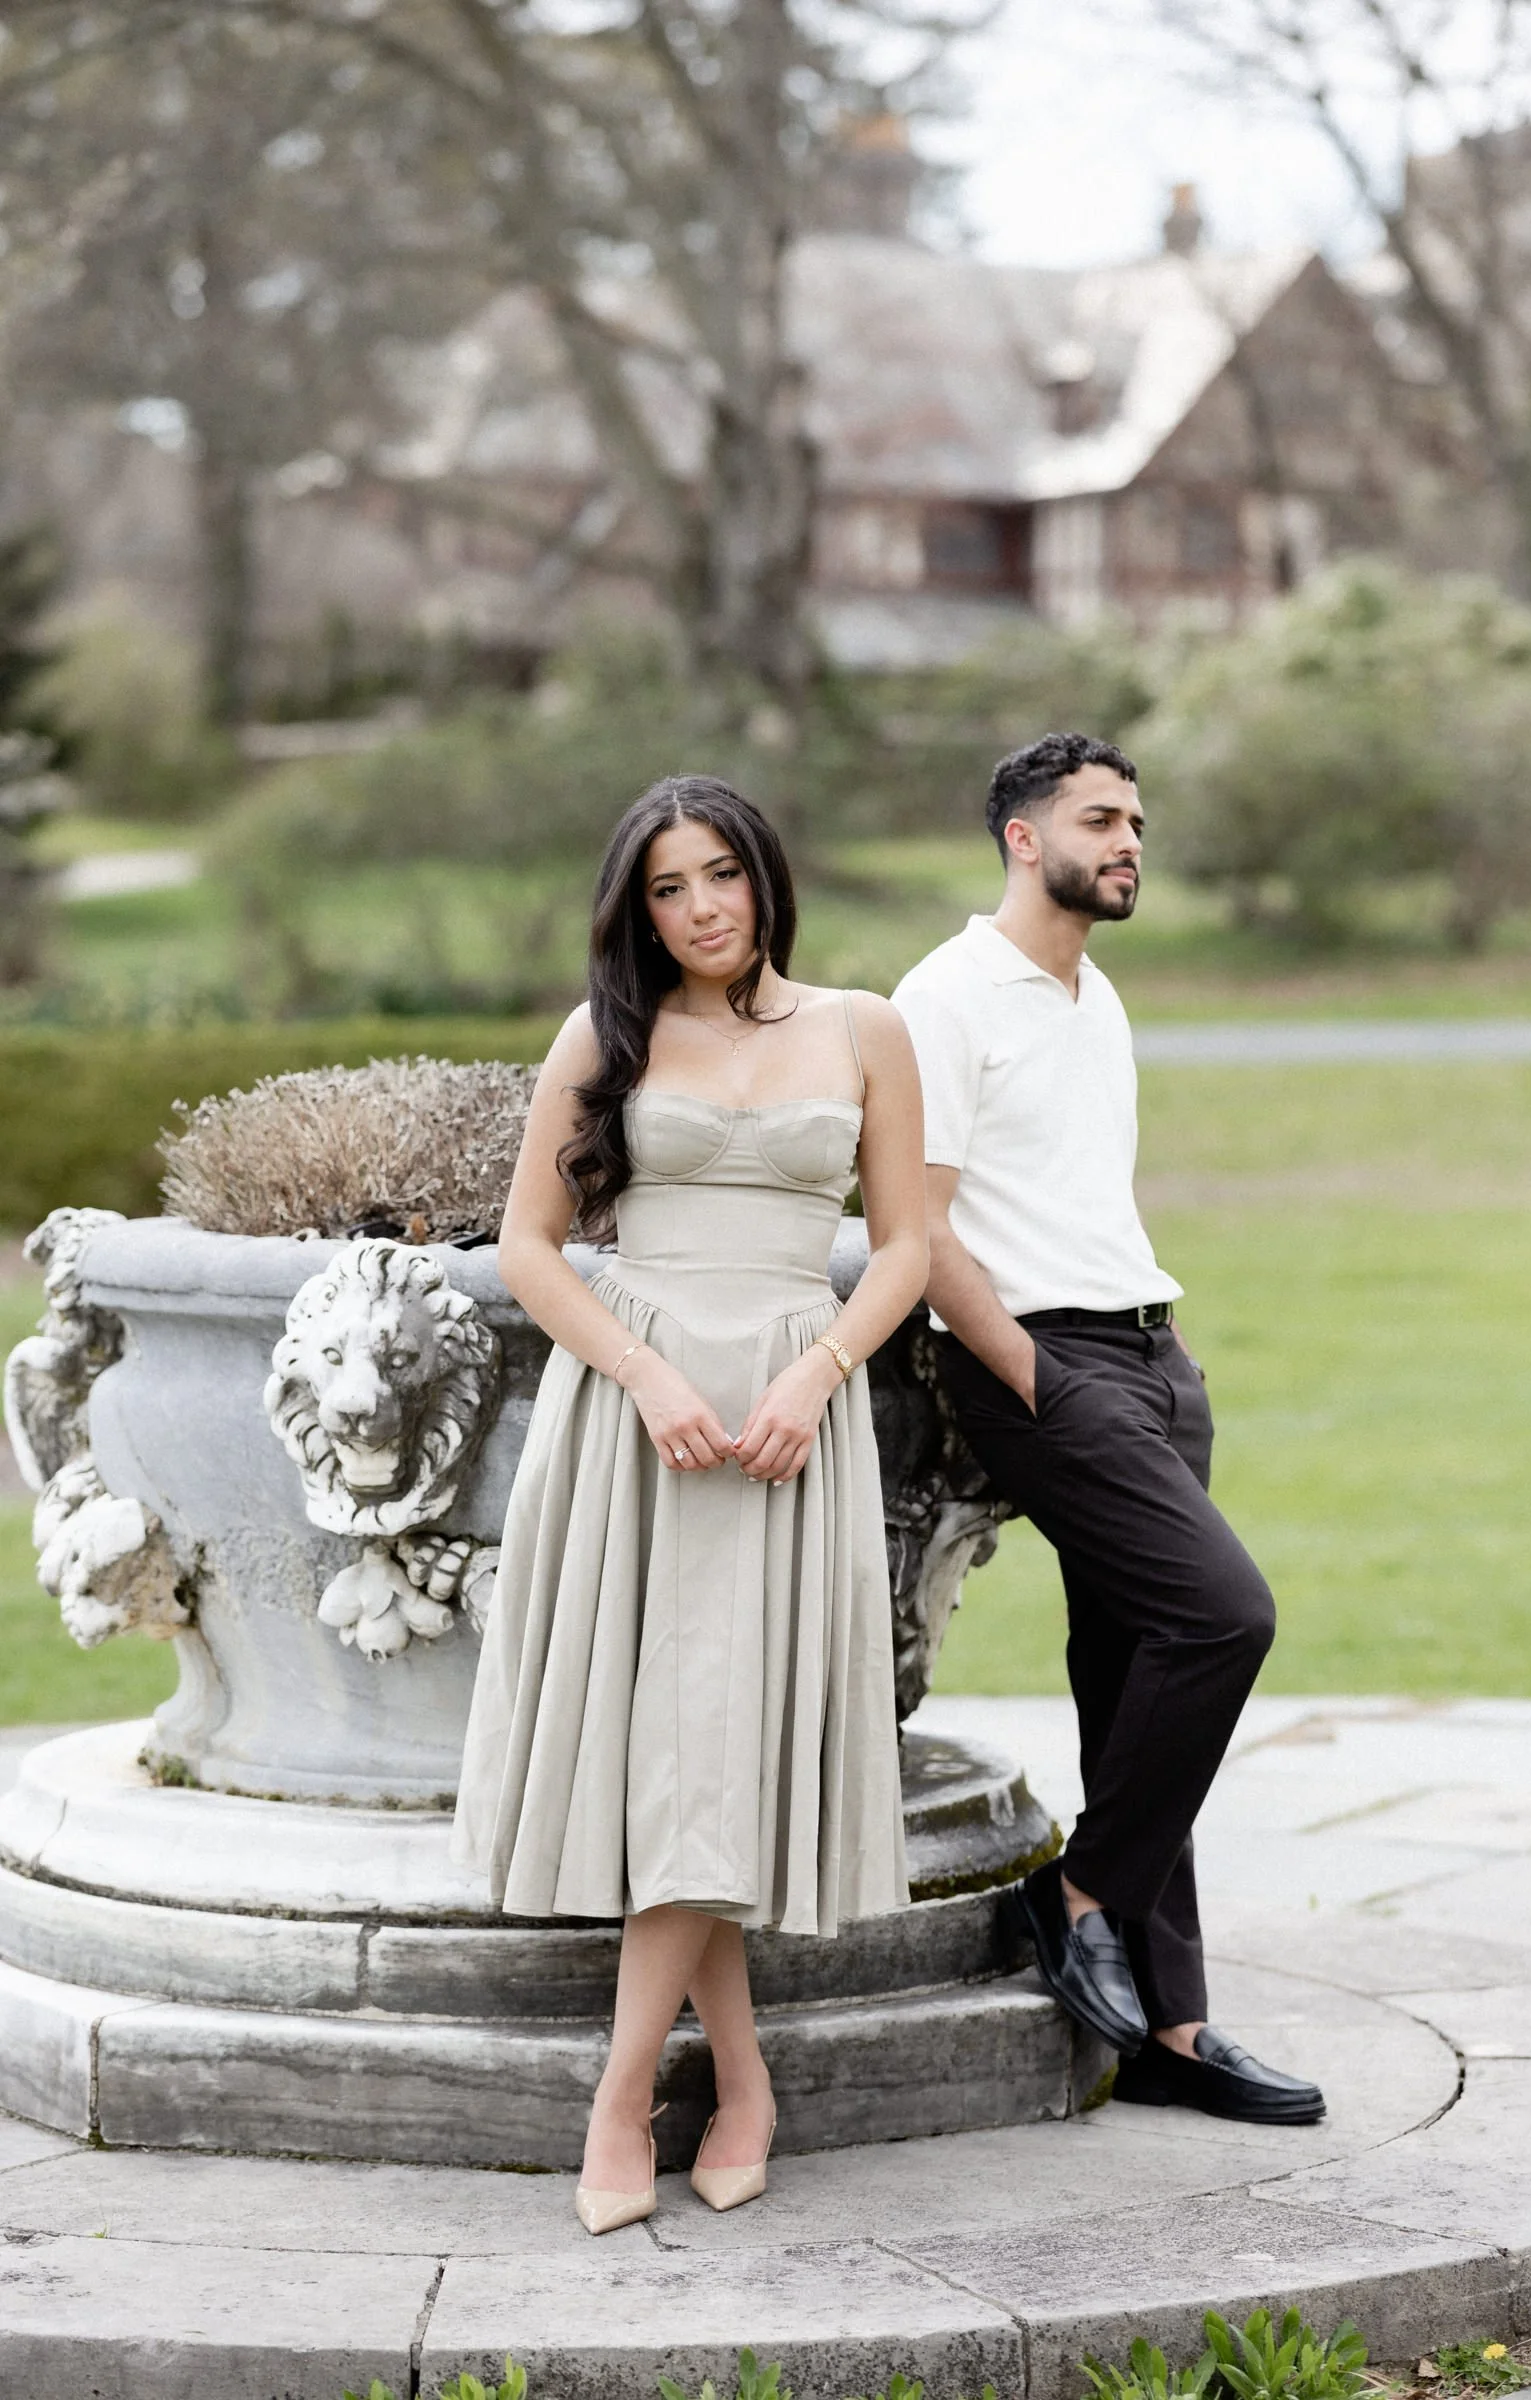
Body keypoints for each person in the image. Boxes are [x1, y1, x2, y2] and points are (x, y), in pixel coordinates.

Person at [454, 774, 927, 2233]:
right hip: (640, 1421)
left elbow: (909, 1246)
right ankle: (732, 2078)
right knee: (681, 1756)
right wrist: (650, 1379)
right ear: (636, 908)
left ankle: (623, 2101)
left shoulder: (865, 1029)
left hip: (790, 1412)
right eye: (668, 888)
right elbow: (531, 1249)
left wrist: (822, 1373)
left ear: (765, 876)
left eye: (720, 874)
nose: (701, 908)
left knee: (709, 1754)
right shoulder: (604, 1032)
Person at [891, 731, 1325, 2128]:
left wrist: (1168, 1350)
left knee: (1140, 1676)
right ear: (1024, 836)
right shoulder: (947, 997)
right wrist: (1027, 1369)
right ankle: (1071, 1896)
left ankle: (1172, 2032)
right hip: (1041, 1364)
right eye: (1102, 818)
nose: (1131, 839)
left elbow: (1087, 1197)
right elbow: (920, 1224)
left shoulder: (1096, 997)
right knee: (1224, 1616)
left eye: (1137, 818)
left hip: (1145, 1351)